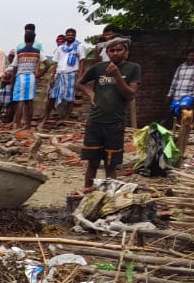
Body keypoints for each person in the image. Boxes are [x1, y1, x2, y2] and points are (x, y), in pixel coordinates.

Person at [79, 38, 141, 191]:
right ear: (107, 53)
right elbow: (80, 83)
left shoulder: (133, 68)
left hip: (115, 123)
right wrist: (90, 92)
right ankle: (87, 191)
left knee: (110, 164)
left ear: (126, 52)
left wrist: (117, 76)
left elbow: (130, 95)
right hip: (95, 121)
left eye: (119, 50)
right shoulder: (99, 68)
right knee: (92, 162)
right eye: (111, 50)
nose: (115, 53)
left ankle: (109, 195)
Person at [40, 28, 90, 127]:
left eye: (72, 34)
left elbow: (82, 62)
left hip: (71, 74)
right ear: (66, 36)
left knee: (70, 99)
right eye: (68, 34)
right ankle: (45, 118)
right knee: (52, 96)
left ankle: (65, 119)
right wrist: (52, 77)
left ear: (75, 35)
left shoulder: (79, 47)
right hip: (59, 74)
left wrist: (80, 78)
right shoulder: (60, 48)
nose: (70, 36)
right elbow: (55, 63)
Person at [7, 31, 46, 129]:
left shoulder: (20, 52)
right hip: (31, 77)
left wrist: (12, 82)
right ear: (33, 40)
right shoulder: (38, 52)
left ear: (24, 39)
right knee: (29, 101)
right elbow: (48, 64)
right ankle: (28, 124)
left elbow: (15, 67)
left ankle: (18, 124)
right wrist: (40, 74)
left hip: (21, 77)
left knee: (20, 101)